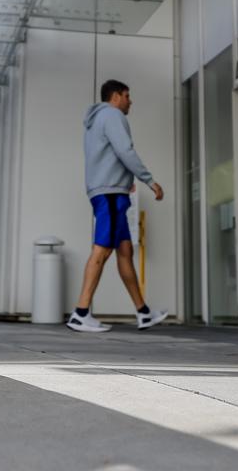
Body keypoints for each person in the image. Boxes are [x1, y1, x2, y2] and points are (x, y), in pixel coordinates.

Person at [67, 79, 168, 333]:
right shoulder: (112, 115)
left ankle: (143, 313)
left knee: (125, 251)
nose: (129, 101)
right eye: (127, 95)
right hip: (110, 193)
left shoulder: (96, 120)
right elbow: (125, 149)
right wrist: (149, 180)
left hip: (111, 189)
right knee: (101, 250)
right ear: (115, 96)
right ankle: (80, 313)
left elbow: (107, 154)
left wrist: (126, 180)